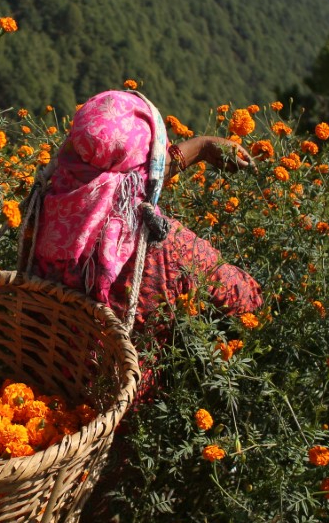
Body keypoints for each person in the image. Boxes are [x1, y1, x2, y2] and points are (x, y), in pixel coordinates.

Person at [25, 89, 262, 396]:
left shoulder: (40, 209)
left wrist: (201, 148)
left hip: (38, 389)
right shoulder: (167, 247)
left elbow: (120, 179)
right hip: (118, 410)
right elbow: (248, 301)